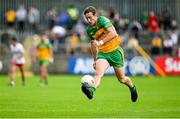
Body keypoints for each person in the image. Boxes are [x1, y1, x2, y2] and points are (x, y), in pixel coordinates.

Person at [81, 6, 138, 102]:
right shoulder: (89, 30)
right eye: (87, 18)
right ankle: (91, 91)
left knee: (122, 79)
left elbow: (113, 33)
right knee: (98, 74)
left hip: (115, 51)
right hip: (103, 54)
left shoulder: (102, 20)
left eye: (90, 17)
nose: (89, 20)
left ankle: (132, 88)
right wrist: (95, 60)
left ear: (95, 15)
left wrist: (100, 42)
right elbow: (93, 45)